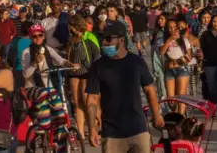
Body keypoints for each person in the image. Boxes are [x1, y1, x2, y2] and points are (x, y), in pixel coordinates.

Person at [86, 21, 164, 152]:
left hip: (138, 130)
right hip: (111, 134)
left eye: (108, 39)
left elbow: (149, 89)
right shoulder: (98, 66)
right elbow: (92, 100)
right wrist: (92, 128)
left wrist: (156, 115)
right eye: (102, 39)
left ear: (121, 39)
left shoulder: (137, 62)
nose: (104, 43)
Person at [67, 14, 101, 137]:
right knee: (77, 103)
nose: (69, 29)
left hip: (88, 73)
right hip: (74, 73)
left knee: (89, 103)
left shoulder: (89, 38)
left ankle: (99, 126)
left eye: (71, 26)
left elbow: (97, 56)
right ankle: (80, 132)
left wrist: (96, 73)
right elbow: (68, 56)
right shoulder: (71, 40)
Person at [21, 24, 73, 89]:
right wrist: (34, 63)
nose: (38, 38)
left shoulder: (48, 49)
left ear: (44, 36)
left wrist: (70, 64)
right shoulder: (26, 52)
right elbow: (25, 75)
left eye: (40, 35)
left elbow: (60, 60)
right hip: (33, 87)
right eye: (34, 36)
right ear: (30, 38)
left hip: (49, 84)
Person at [159, 18, 192, 114]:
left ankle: (180, 119)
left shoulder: (183, 40)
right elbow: (161, 52)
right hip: (169, 70)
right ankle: (175, 113)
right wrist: (169, 40)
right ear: (166, 29)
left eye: (174, 27)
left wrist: (186, 58)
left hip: (182, 69)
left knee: (181, 96)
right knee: (171, 100)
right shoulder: (163, 40)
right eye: (170, 28)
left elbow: (189, 55)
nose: (173, 29)